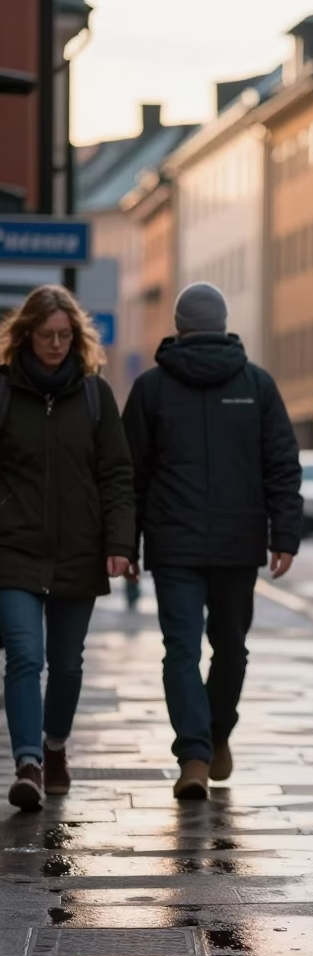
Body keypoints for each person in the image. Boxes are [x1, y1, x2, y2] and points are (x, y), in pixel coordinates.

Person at [122, 283, 302, 801]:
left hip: (175, 542)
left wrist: (126, 543)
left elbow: (129, 475)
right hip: (233, 544)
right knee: (230, 649)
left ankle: (200, 749)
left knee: (181, 650)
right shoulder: (256, 384)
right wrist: (284, 535)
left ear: (178, 326)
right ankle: (206, 746)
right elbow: (282, 465)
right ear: (222, 325)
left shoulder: (151, 388)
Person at [0, 285, 135, 810]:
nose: (56, 344)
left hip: (79, 550)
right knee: (24, 655)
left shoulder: (96, 396)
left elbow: (117, 475)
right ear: (26, 336)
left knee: (68, 664)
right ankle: (28, 764)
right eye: (46, 335)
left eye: (63, 335)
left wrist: (120, 542)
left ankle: (55, 746)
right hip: (14, 549)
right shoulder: (6, 392)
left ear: (75, 337)